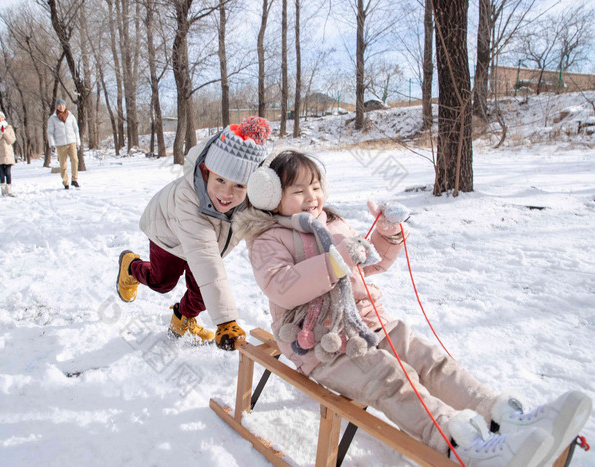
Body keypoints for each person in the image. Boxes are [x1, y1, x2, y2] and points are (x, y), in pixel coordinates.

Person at [233, 149, 592, 466]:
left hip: (368, 325)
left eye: (315, 186)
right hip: (323, 346)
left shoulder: (332, 222)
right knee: (389, 378)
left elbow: (367, 265)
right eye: (298, 191)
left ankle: (501, 416)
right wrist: (339, 260)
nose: (311, 197)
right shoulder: (268, 239)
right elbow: (282, 287)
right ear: (272, 197)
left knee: (428, 360)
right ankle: (462, 444)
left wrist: (385, 236)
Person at [115, 117, 272, 350]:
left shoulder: (251, 203)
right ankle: (130, 267)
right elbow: (205, 258)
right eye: (220, 180)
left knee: (201, 293)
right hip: (168, 233)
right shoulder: (188, 197)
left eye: (239, 185)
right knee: (162, 282)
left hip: (205, 244)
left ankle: (182, 319)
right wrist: (226, 320)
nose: (226, 194)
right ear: (206, 172)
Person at [47, 99, 81, 189]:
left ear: (65, 106)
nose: (61, 106)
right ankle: (65, 182)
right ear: (56, 106)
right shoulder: (52, 118)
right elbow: (50, 132)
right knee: (63, 165)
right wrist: (52, 144)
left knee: (75, 160)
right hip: (60, 144)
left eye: (62, 105)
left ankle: (74, 180)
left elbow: (76, 129)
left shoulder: (71, 116)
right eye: (59, 105)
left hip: (71, 142)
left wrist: (78, 142)